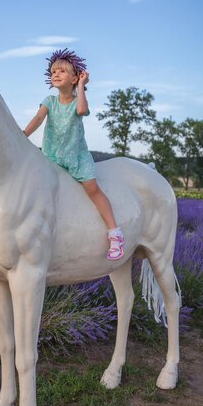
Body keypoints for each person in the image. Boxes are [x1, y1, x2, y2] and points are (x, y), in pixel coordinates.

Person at [23, 49, 124, 260]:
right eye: (53, 71)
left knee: (92, 189)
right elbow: (38, 119)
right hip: (52, 156)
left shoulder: (78, 100)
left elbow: (80, 110)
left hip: (76, 156)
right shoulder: (49, 101)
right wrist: (23, 135)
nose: (56, 74)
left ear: (75, 78)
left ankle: (115, 234)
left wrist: (81, 86)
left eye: (62, 71)